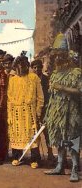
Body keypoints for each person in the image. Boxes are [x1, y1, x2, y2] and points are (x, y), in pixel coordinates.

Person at [44, 33, 81, 182]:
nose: (58, 58)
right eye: (56, 56)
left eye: (60, 55)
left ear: (66, 56)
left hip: (71, 112)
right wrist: (48, 114)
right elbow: (52, 96)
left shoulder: (76, 72)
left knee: (72, 140)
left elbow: (80, 90)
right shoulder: (54, 74)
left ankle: (74, 169)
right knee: (59, 139)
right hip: (56, 112)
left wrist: (63, 88)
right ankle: (60, 166)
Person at [7, 54, 44, 169]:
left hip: (30, 111)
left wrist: (38, 112)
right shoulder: (12, 80)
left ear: (26, 66)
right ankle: (16, 157)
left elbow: (40, 97)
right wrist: (9, 114)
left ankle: (34, 159)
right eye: (18, 67)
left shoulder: (34, 78)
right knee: (17, 134)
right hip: (16, 112)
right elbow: (9, 99)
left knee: (32, 135)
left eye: (23, 66)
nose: (20, 69)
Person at [30, 59, 54, 161]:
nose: (37, 69)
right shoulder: (30, 80)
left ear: (41, 68)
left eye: (38, 67)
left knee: (47, 133)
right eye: (34, 68)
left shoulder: (46, 79)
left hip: (45, 109)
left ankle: (50, 153)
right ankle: (36, 155)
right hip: (33, 110)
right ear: (32, 69)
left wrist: (47, 109)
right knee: (35, 132)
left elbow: (49, 95)